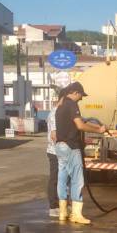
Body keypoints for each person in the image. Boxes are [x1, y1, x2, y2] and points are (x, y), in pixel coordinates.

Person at [54, 82, 105, 225]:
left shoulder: (61, 105)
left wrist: (97, 126)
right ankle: (76, 214)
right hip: (71, 146)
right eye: (81, 96)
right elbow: (80, 125)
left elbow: (78, 121)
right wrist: (99, 131)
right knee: (77, 180)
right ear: (75, 92)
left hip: (60, 146)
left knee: (62, 178)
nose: (81, 99)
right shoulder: (71, 104)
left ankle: (63, 213)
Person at [46, 90, 63, 218]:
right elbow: (54, 135)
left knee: (61, 179)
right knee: (55, 179)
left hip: (59, 151)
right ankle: (53, 206)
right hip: (55, 151)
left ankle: (61, 204)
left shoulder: (59, 112)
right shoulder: (55, 113)